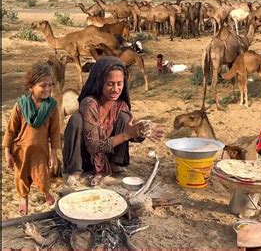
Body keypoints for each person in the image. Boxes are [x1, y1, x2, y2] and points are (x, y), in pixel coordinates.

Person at [62, 56, 163, 186]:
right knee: (76, 120)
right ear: (100, 83)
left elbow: (130, 129)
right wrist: (127, 134)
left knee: (124, 117)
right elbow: (93, 146)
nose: (116, 89)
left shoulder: (120, 105)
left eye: (119, 83)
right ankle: (74, 171)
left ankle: (114, 163)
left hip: (106, 152)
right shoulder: (89, 103)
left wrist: (143, 129)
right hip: (85, 156)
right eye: (110, 84)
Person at [3, 62, 60, 215]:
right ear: (31, 87)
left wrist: (54, 154)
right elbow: (10, 131)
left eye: (50, 85)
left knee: (43, 175)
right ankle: (23, 198)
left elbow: (54, 133)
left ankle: (46, 193)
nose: (48, 89)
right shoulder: (21, 105)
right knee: (21, 177)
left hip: (41, 151)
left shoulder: (52, 106)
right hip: (21, 151)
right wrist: (7, 151)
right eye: (43, 85)